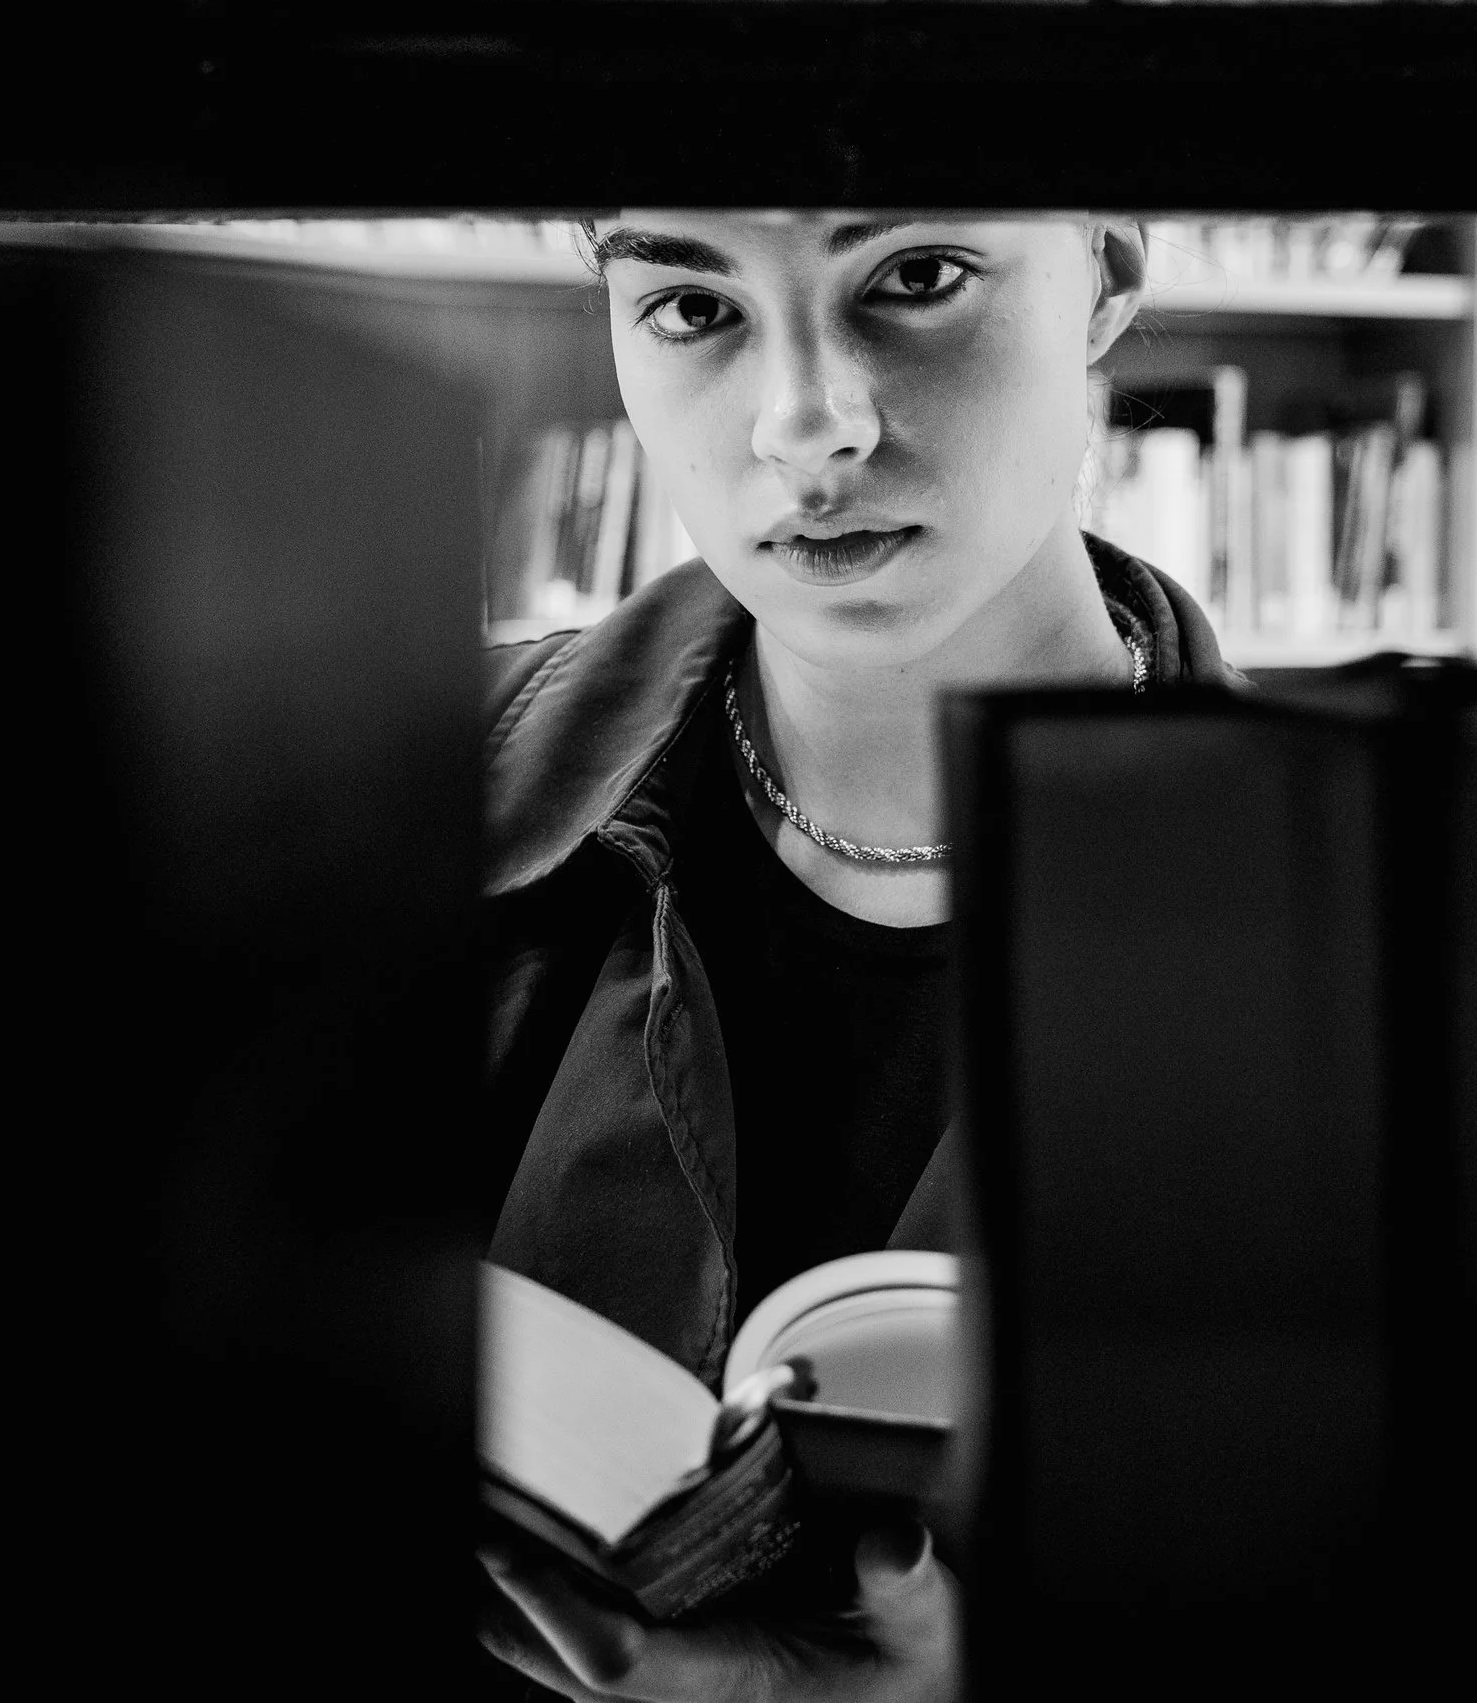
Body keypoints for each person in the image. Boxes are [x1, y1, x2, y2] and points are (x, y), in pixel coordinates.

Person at [476, 213, 1239, 1700]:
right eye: (694, 304)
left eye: (916, 277)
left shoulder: (1380, 948)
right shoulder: (367, 806)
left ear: (1108, 276)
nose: (803, 423)